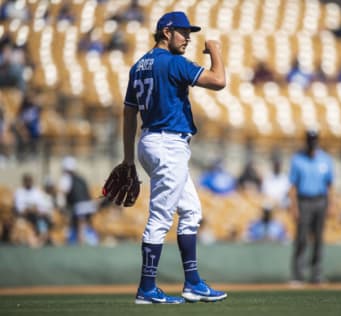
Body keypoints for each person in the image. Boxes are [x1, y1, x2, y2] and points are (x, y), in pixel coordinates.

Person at [122, 11, 227, 304]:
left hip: (150, 142)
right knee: (160, 217)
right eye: (183, 31)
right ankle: (146, 288)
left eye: (189, 33)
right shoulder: (173, 63)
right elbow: (219, 80)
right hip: (168, 144)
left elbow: (129, 113)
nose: (188, 38)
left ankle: (193, 283)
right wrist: (215, 49)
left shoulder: (138, 66)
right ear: (166, 32)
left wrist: (129, 159)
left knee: (191, 211)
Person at [288, 129, 335, 284]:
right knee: (301, 238)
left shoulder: (325, 159)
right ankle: (298, 275)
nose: (312, 143)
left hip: (320, 200)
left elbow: (330, 185)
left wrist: (331, 204)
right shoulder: (298, 159)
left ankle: (316, 274)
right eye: (309, 140)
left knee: (318, 238)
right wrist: (294, 207)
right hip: (304, 201)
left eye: (314, 140)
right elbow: (293, 186)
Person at [57, 156, 98, 245]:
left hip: (79, 206)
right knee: (85, 222)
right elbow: (88, 193)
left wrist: (61, 207)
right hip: (89, 205)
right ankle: (91, 239)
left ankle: (81, 240)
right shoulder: (81, 178)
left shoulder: (66, 178)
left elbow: (62, 193)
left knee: (79, 222)